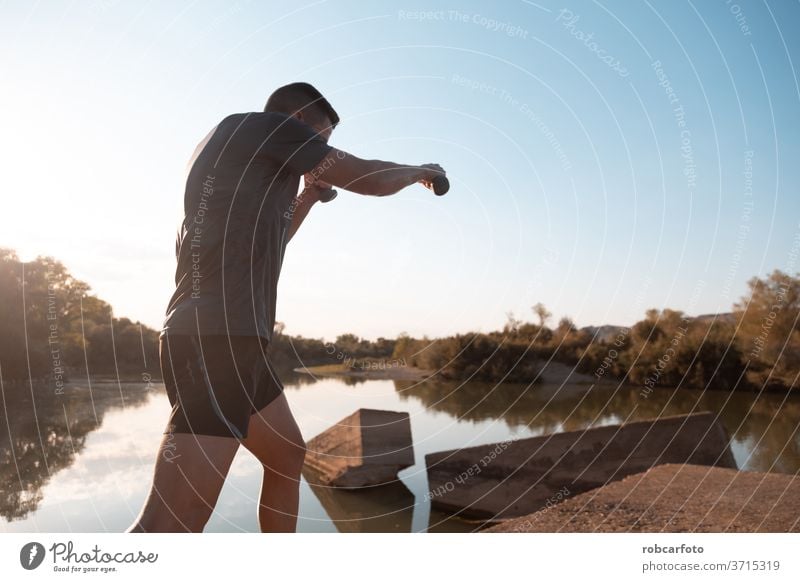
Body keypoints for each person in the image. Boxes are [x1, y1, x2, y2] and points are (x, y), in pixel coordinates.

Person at [127, 82, 445, 532]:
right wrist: (420, 170)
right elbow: (368, 178)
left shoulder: (235, 153)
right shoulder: (263, 126)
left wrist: (310, 196)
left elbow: (273, 239)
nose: (318, 154)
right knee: (171, 525)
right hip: (217, 342)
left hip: (236, 341)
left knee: (287, 455)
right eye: (320, 141)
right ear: (296, 121)